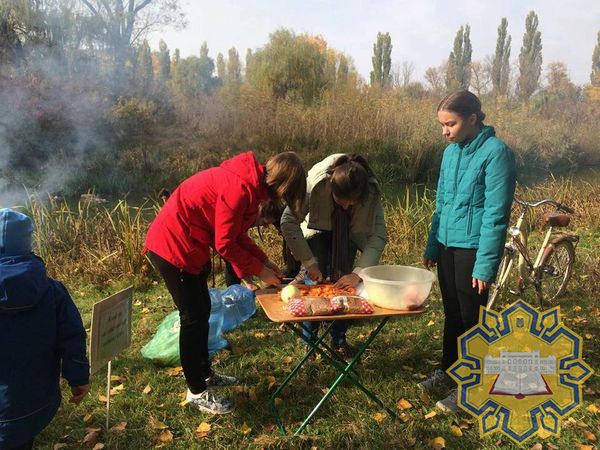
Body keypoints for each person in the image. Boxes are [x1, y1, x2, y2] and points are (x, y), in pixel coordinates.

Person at [143, 151, 306, 415]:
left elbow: (237, 236)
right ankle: (197, 391)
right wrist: (260, 272)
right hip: (173, 247)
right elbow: (225, 244)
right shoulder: (240, 189)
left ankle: (205, 373)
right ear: (284, 186)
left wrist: (264, 262)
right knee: (192, 318)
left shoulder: (250, 188)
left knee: (203, 311)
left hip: (192, 245)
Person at [421, 91, 516, 413]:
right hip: (447, 245)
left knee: (471, 320)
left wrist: (484, 266)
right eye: (442, 125)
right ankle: (448, 372)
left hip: (473, 250)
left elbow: (496, 215)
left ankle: (473, 389)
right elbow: (441, 203)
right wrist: (433, 244)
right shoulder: (450, 153)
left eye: (451, 124)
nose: (445, 131)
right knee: (452, 314)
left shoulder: (496, 153)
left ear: (472, 118)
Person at [280, 153, 387, 359]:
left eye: (352, 203)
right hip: (316, 232)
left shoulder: (370, 191)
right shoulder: (316, 184)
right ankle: (309, 342)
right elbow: (288, 221)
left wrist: (358, 273)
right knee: (314, 286)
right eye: (341, 201)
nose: (346, 206)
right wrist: (309, 262)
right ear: (331, 189)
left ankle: (339, 340)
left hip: (348, 235)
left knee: (345, 286)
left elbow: (378, 236)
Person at [0, 209, 90, 450]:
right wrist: (79, 378)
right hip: (35, 404)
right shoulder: (53, 290)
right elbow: (72, 338)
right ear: (28, 244)